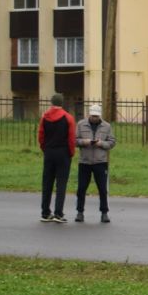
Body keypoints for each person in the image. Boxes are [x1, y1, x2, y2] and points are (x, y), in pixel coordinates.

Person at [37, 93, 76, 223]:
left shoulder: (44, 117)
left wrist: (45, 148)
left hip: (49, 152)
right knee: (61, 183)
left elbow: (41, 136)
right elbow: (71, 138)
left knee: (47, 182)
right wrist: (71, 153)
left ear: (51, 102)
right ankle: (58, 213)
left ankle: (45, 212)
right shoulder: (68, 117)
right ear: (62, 103)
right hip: (63, 152)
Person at [74, 104, 114, 224]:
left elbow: (112, 142)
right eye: (92, 116)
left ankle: (104, 213)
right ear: (89, 114)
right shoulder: (81, 124)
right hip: (84, 161)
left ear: (99, 115)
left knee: (102, 189)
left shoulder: (107, 126)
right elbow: (74, 140)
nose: (94, 118)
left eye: (96, 116)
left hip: (100, 162)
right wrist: (84, 142)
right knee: (81, 188)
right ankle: (80, 212)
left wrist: (101, 144)